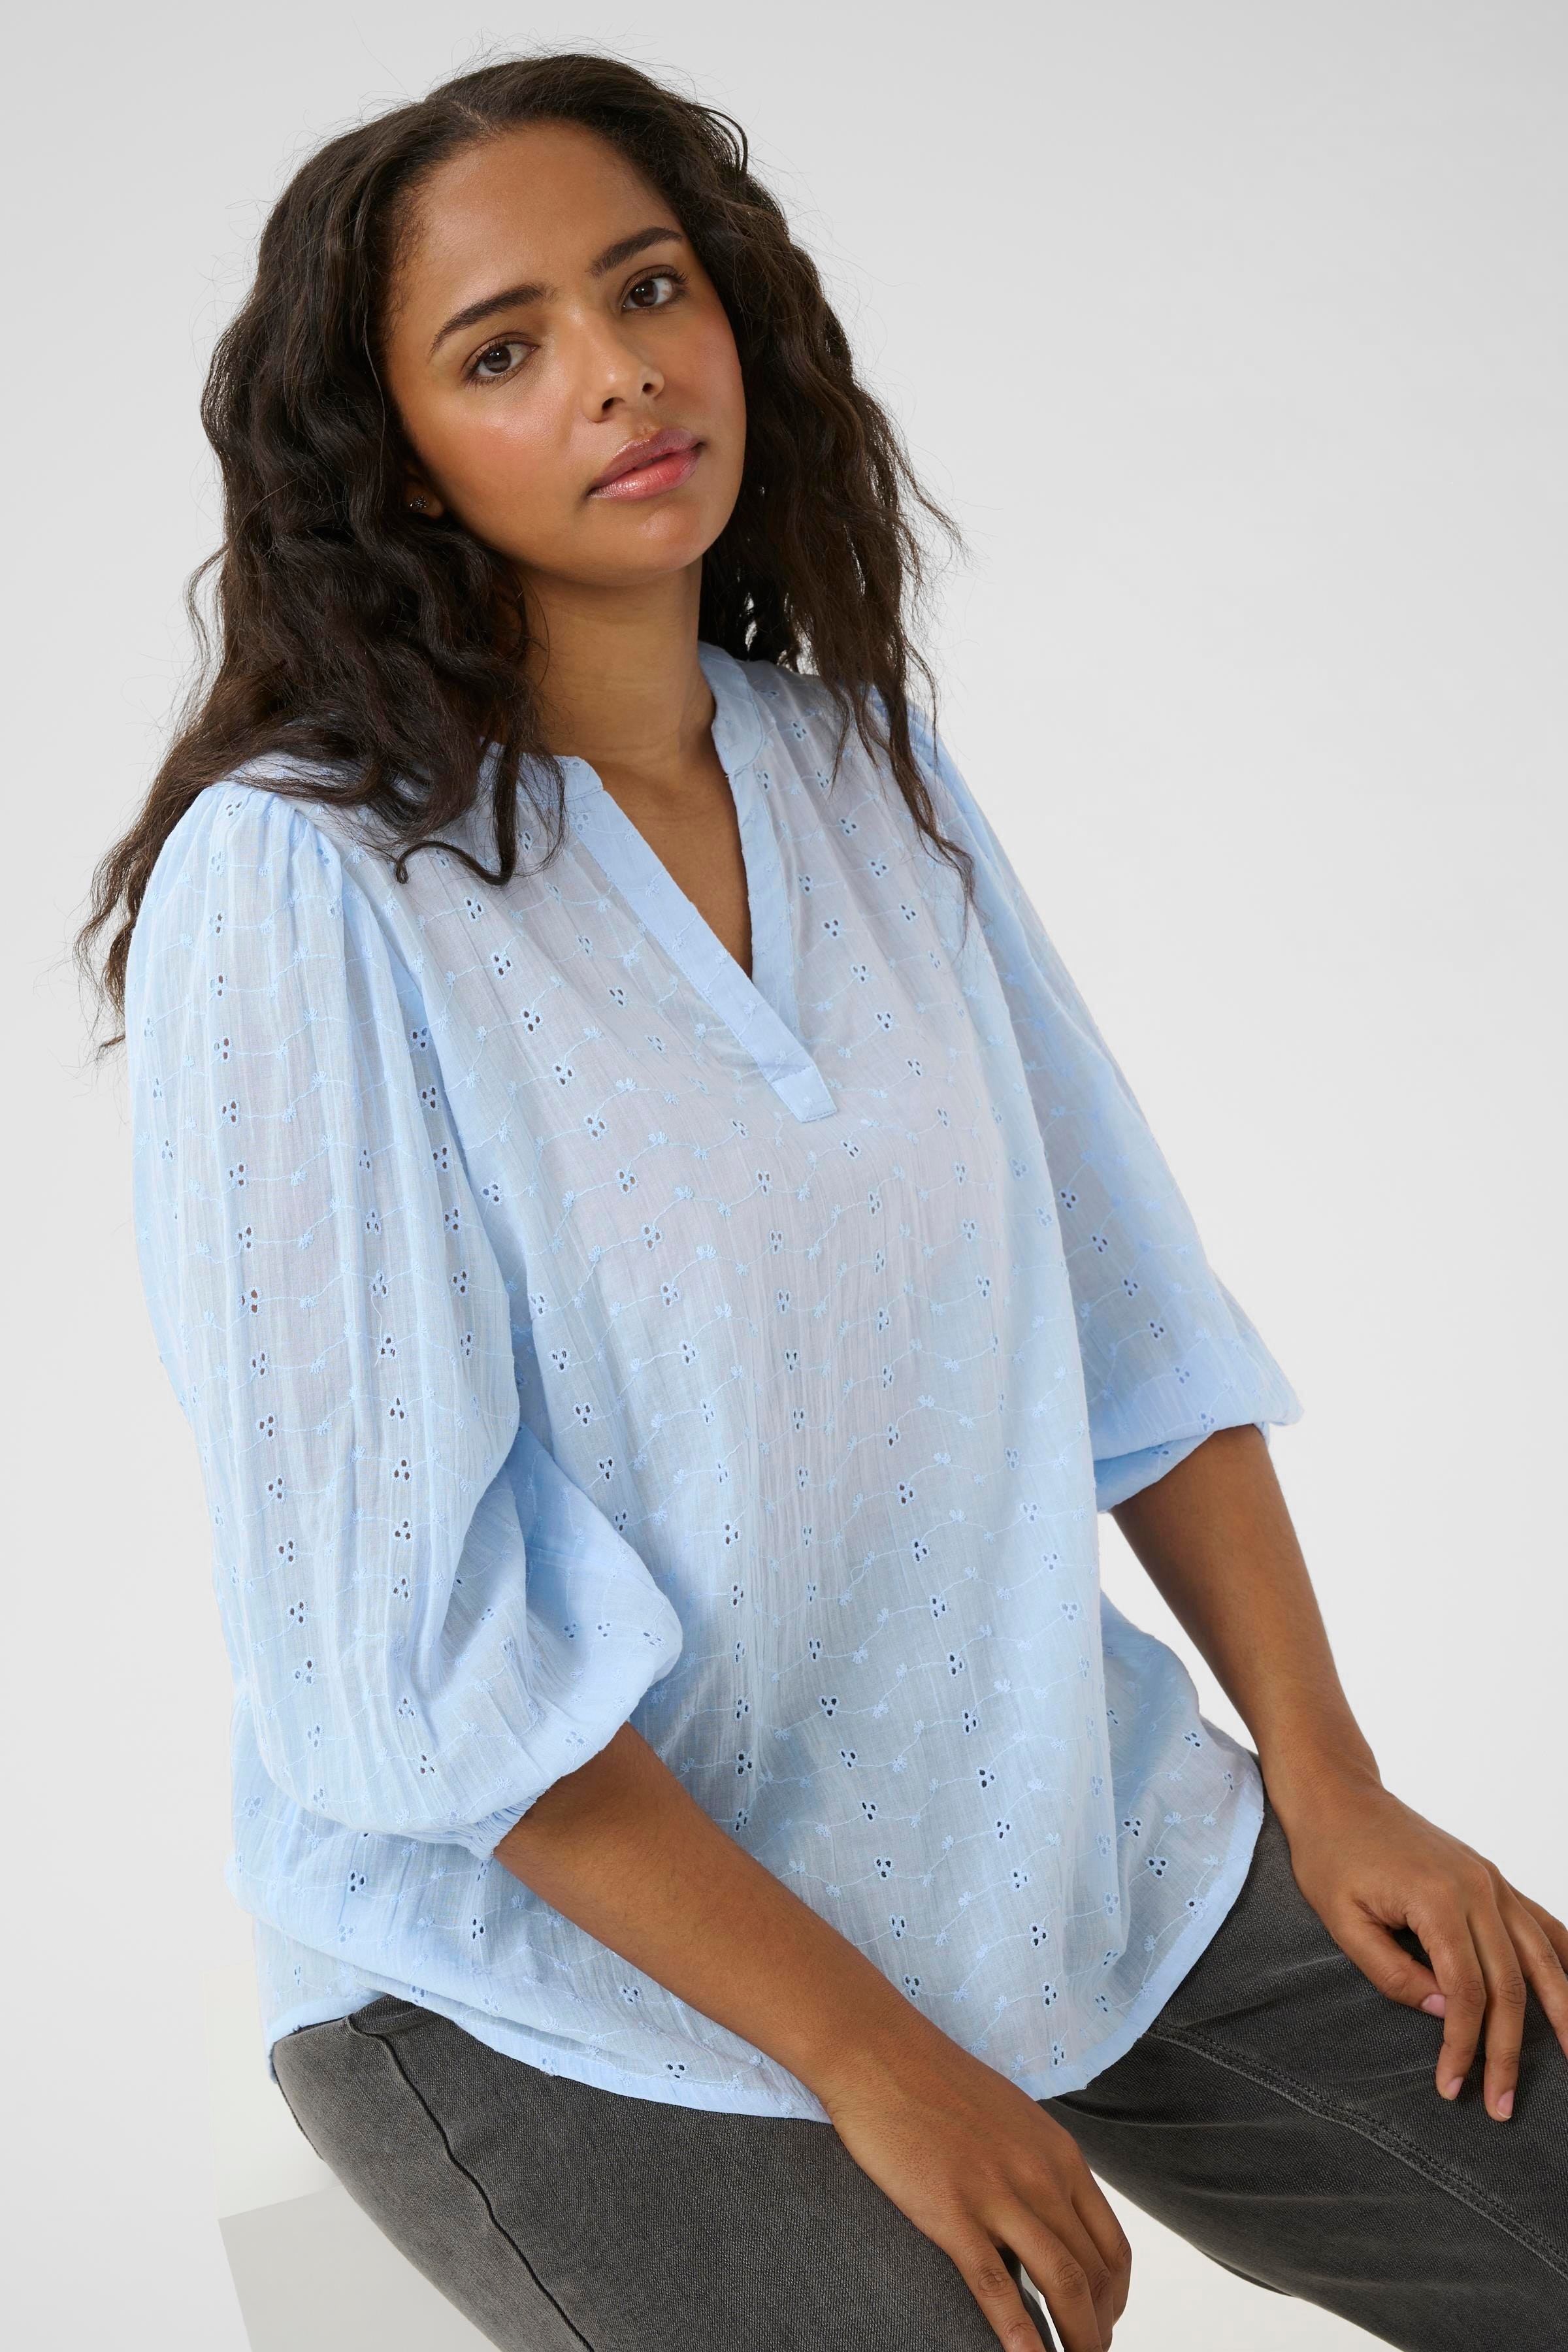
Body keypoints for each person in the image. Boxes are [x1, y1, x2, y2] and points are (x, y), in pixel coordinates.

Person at [80, 50, 1567, 2352]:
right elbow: (419, 1667)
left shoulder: (861, 775)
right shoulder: (301, 886)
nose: (618, 373)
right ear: (394, 457)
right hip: (542, 1959)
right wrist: (876, 2057)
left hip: (1039, 1835)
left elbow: (1134, 1324)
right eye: (504, 349)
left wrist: (1333, 1780)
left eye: (648, 289)